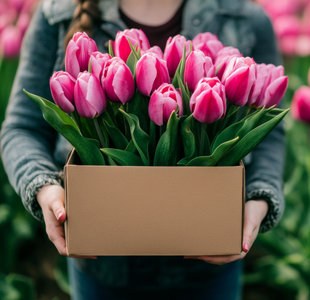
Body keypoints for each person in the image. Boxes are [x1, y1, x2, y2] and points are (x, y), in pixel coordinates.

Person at [0, 0, 285, 298]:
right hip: (102, 265)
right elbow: (22, 128)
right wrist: (43, 188)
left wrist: (259, 198)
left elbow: (271, 136)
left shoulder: (245, 17)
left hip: (209, 265)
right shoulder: (57, 14)